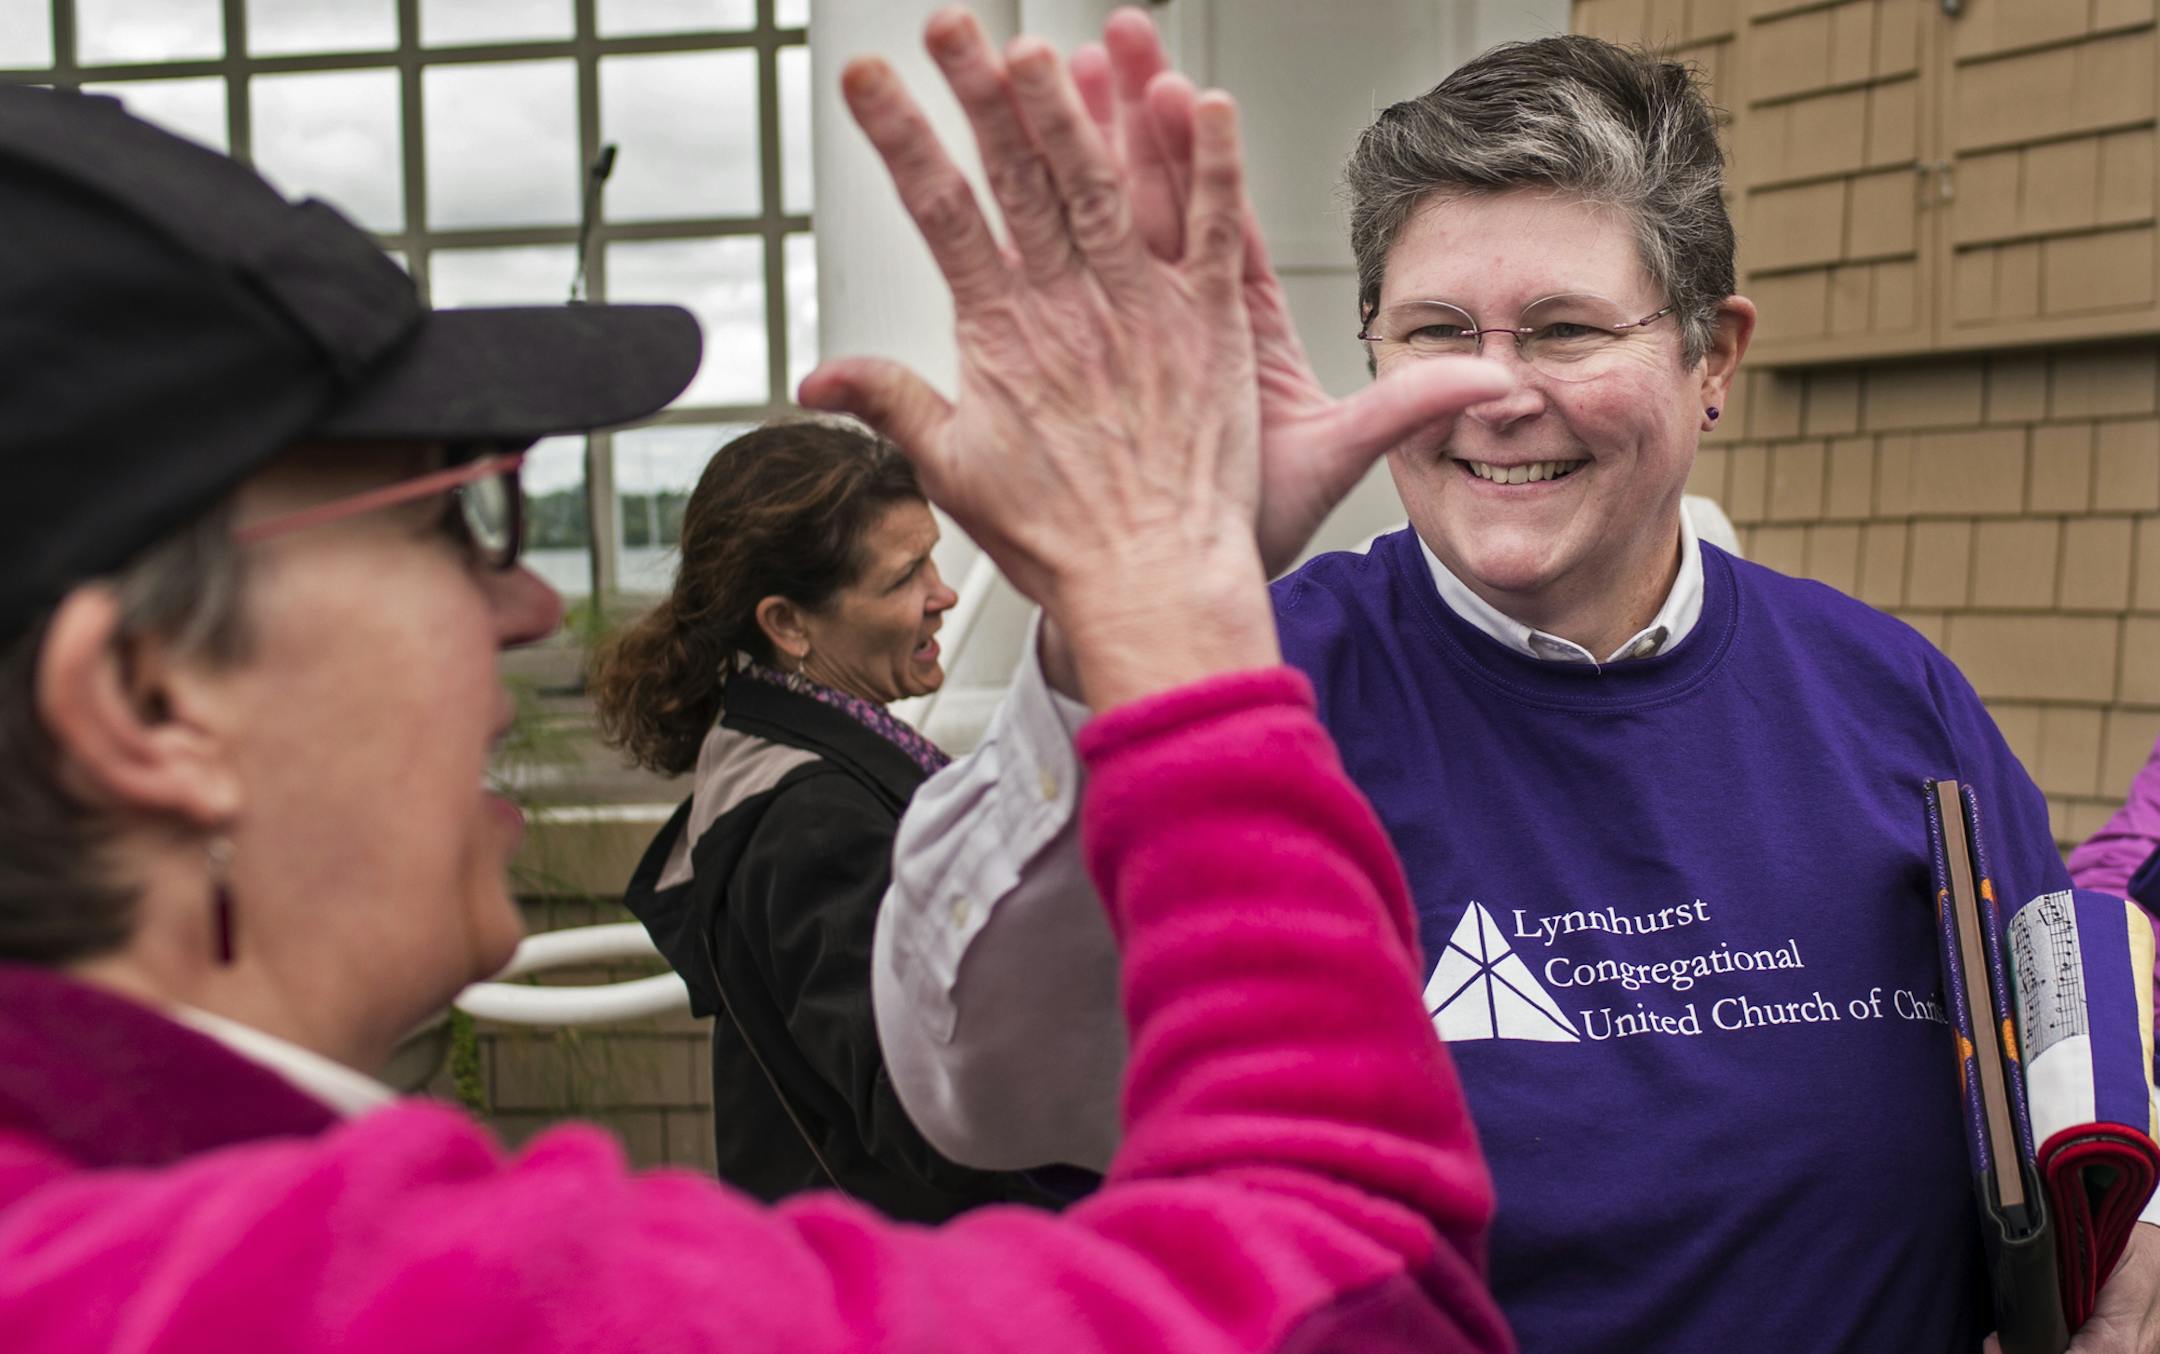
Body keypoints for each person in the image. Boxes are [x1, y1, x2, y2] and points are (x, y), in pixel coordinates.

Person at [0, 12, 1526, 1350]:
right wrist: (1173, 616)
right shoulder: (318, 1301)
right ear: (147, 700)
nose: (526, 598)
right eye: (450, 517)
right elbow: (1360, 1300)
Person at [870, 15, 2160, 1352]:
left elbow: (2072, 1093)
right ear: (1369, 345)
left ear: (1712, 355)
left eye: (1562, 329)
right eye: (1437, 331)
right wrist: (1126, 608)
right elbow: (980, 1080)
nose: (1495, 392)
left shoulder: (1891, 704)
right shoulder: (1242, 689)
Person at [591, 420, 1053, 1218]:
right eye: (905, 576)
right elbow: (927, 1115)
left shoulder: (766, 753)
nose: (943, 593)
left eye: (934, 556)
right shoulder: (814, 825)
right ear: (787, 624)